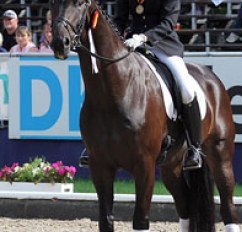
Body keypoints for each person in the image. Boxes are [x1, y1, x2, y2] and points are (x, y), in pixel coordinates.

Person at [80, 0, 205, 171]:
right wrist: (115, 40)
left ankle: (194, 147)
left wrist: (144, 38)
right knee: (106, 82)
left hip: (163, 45)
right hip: (132, 44)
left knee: (186, 88)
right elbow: (119, 19)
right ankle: (94, 145)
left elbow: (168, 22)